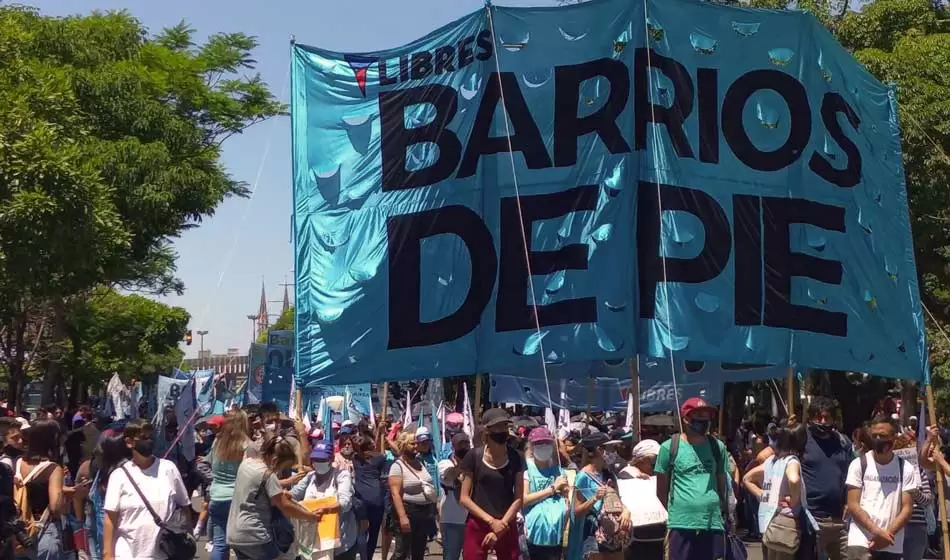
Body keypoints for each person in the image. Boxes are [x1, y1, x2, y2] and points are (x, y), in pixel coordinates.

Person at [102, 419, 190, 560]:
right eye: (143, 438)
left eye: (150, 437)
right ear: (129, 442)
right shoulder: (118, 476)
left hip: (164, 552)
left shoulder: (168, 469)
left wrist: (186, 541)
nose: (148, 442)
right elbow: (110, 519)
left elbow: (185, 507)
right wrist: (107, 554)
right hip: (127, 554)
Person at [656, 397, 730, 560]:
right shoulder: (668, 448)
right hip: (681, 524)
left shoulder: (718, 447)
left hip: (712, 523)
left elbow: (722, 485)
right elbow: (661, 490)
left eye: (707, 415)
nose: (704, 419)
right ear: (686, 419)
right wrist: (681, 511)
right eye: (698, 415)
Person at [227, 435, 320, 560]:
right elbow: (285, 506)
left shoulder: (246, 463)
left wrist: (279, 493)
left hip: (234, 533)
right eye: (281, 466)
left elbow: (254, 492)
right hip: (255, 534)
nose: (279, 470)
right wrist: (310, 516)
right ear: (275, 460)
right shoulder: (267, 475)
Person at [845, 415, 919, 560]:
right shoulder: (858, 464)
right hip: (861, 540)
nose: (878, 439)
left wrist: (887, 535)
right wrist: (877, 531)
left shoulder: (905, 468)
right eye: (874, 435)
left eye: (883, 435)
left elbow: (907, 508)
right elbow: (853, 505)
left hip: (891, 542)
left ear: (894, 437)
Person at [458, 408, 524, 560]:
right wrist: (491, 521)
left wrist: (501, 525)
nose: (503, 431)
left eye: (505, 426)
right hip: (478, 522)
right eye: (498, 427)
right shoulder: (473, 456)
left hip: (506, 523)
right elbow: (464, 498)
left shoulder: (516, 457)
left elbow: (518, 498)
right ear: (487, 430)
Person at [742, 423, 809, 560]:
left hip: (769, 522)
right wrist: (795, 500)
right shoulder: (791, 461)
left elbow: (747, 478)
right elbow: (794, 479)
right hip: (785, 523)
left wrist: (763, 494)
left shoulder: (770, 462)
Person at [801, 397, 853, 560]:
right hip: (812, 518)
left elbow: (850, 475)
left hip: (840, 519)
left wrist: (848, 502)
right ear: (810, 418)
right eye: (818, 417)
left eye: (827, 417)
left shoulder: (843, 442)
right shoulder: (801, 440)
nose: (823, 422)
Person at [291, 440, 358, 559]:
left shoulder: (342, 475)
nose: (318, 463)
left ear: (331, 459)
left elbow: (345, 503)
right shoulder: (310, 477)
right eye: (316, 460)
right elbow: (293, 495)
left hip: (340, 541)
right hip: (312, 540)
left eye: (322, 460)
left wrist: (324, 510)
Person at [15, 418, 67, 560]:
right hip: (42, 531)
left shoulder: (17, 463)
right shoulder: (53, 469)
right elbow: (55, 507)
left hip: (16, 534)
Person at [521, 427, 570, 560]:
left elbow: (567, 501)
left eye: (547, 444)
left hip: (555, 535)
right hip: (533, 535)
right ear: (531, 447)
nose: (543, 447)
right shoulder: (527, 472)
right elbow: (524, 500)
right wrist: (552, 489)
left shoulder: (559, 472)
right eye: (539, 444)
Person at [207, 410, 250, 560]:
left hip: (217, 496)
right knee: (243, 545)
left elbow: (210, 464)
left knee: (220, 543)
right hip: (237, 499)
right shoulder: (246, 445)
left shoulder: (217, 442)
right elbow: (249, 473)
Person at [387, 431, 437, 560]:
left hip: (424, 513)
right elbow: (395, 493)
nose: (416, 446)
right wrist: (403, 517)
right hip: (408, 511)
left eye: (417, 443)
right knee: (402, 552)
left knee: (418, 551)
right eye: (412, 443)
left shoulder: (420, 463)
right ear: (404, 445)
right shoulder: (397, 466)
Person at [620, 439, 666, 560]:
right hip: (638, 539)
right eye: (653, 461)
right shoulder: (626, 476)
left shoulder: (653, 477)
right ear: (641, 460)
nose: (656, 464)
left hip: (656, 535)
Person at [352, 435, 387, 560]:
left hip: (360, 497)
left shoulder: (355, 458)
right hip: (376, 497)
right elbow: (383, 454)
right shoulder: (379, 458)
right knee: (373, 532)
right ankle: (369, 557)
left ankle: (363, 558)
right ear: (371, 445)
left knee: (361, 530)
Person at [438, 433, 470, 560]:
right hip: (451, 519)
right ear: (453, 446)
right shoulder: (445, 463)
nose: (464, 446)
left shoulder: (474, 463)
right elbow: (449, 474)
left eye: (466, 443)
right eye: (461, 444)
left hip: (471, 518)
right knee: (451, 556)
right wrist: (464, 463)